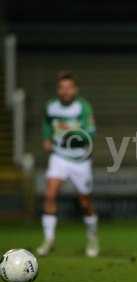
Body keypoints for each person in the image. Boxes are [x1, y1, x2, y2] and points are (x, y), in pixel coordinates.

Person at [37, 71, 99, 257]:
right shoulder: (51, 106)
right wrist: (47, 138)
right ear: (58, 90)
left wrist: (70, 132)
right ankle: (48, 239)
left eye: (68, 88)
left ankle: (92, 237)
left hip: (80, 159)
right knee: (49, 194)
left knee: (85, 203)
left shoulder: (82, 107)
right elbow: (47, 124)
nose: (65, 91)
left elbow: (91, 132)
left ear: (75, 90)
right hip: (59, 157)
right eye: (61, 88)